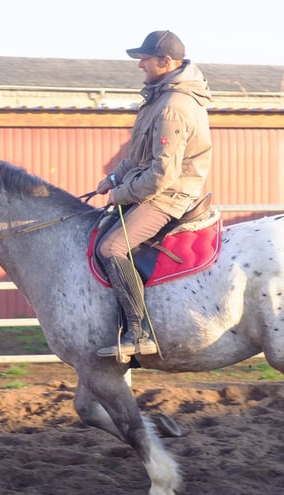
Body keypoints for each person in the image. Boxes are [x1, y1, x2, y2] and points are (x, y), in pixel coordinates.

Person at [93, 30, 213, 359]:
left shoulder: (173, 107)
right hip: (153, 187)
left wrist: (121, 193)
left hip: (170, 195)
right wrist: (113, 178)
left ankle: (139, 331)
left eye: (144, 59)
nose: (140, 65)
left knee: (112, 247)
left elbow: (162, 174)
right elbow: (137, 155)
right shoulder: (158, 99)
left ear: (166, 62)